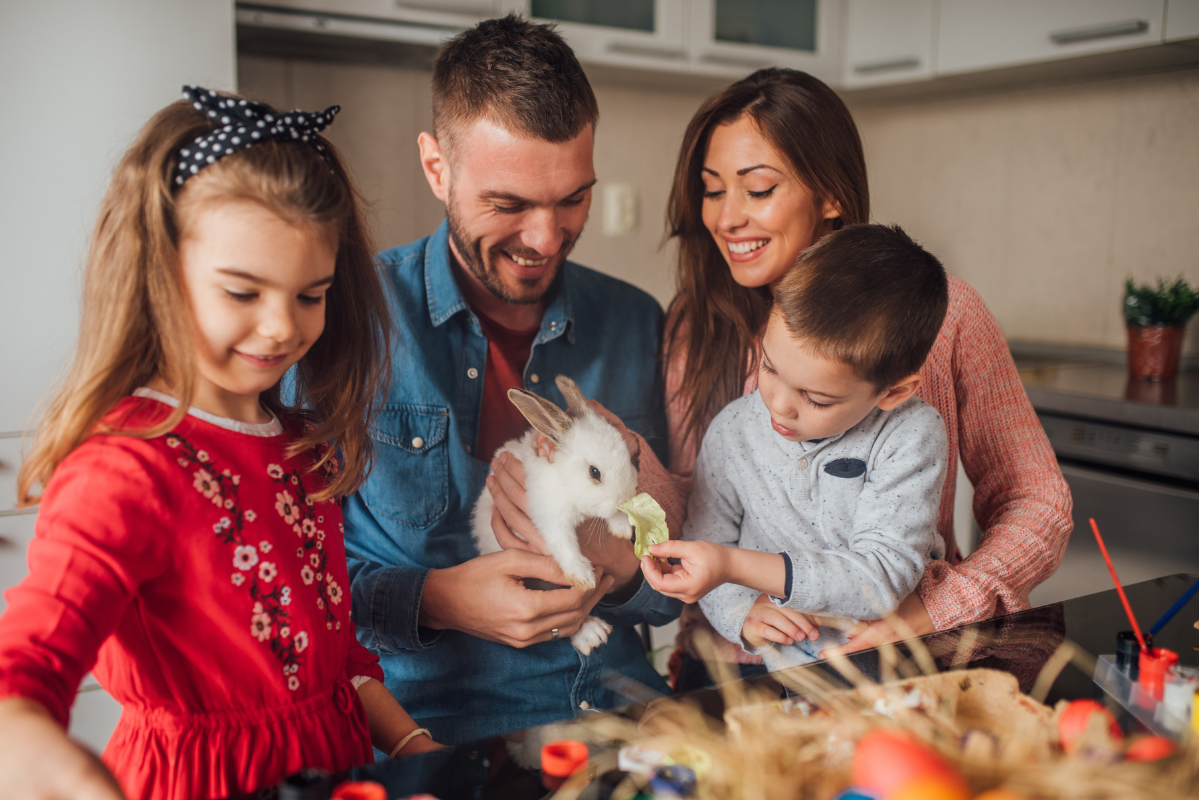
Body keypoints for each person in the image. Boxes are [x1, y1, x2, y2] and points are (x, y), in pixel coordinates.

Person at [0, 88, 438, 800]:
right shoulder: (124, 469)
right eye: (242, 293)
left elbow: (337, 664)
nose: (280, 329)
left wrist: (419, 750)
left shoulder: (302, 447)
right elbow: (25, 667)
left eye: (310, 294)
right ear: (159, 274)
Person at [643, 68, 1073, 691]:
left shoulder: (947, 316)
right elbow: (703, 502)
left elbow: (1038, 501)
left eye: (757, 189)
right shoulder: (694, 323)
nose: (727, 217)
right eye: (711, 190)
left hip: (904, 667)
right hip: (730, 678)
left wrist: (936, 609)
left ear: (830, 196)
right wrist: (628, 468)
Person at [342, 15, 681, 745]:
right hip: (431, 734)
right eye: (509, 205)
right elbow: (291, 584)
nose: (545, 237)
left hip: (621, 713)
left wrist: (627, 573)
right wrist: (435, 601)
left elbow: (677, 564)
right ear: (437, 168)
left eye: (573, 199)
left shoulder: (634, 323)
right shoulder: (348, 317)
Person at [643, 224, 950, 668]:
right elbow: (706, 541)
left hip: (885, 665)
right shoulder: (732, 432)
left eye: (816, 398)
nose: (780, 406)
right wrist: (740, 612)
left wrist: (730, 564)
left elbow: (880, 578)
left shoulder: (910, 435)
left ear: (893, 393)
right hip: (773, 676)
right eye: (768, 367)